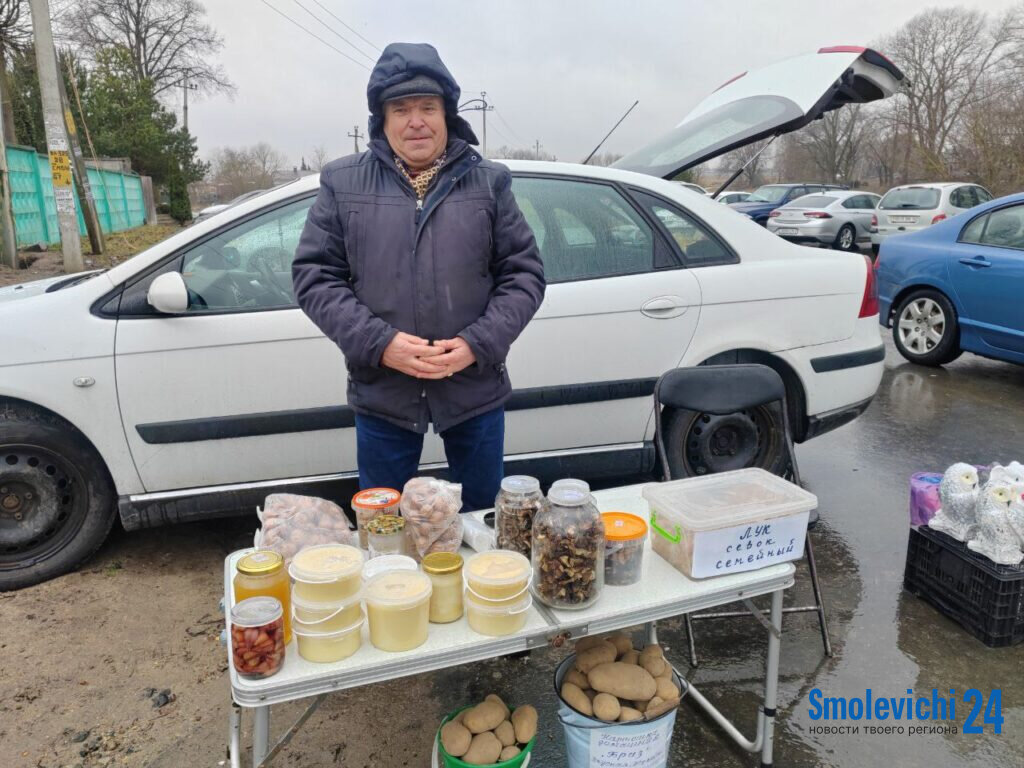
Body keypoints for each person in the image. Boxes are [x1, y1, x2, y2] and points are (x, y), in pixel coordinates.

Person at [293, 43, 545, 511]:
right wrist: (379, 344)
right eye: (401, 109)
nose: (416, 121)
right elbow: (315, 277)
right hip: (383, 392)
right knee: (383, 525)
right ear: (381, 121)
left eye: (428, 107)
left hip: (474, 388)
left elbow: (523, 275)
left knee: (484, 522)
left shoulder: (490, 183)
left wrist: (477, 344)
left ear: (446, 114)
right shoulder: (343, 183)